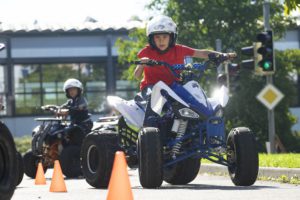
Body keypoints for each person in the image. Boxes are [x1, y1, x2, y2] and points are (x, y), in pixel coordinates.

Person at [134, 15, 235, 99]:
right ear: (152, 39)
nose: (161, 40)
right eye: (157, 37)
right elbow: (137, 76)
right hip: (152, 87)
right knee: (154, 98)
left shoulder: (179, 49)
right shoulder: (147, 52)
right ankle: (150, 123)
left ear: (172, 37)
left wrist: (222, 55)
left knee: (194, 98)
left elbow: (202, 53)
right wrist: (142, 63)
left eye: (165, 37)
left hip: (174, 87)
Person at [59, 78, 93, 146]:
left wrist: (80, 107)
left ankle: (79, 148)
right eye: (70, 90)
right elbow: (63, 106)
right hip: (75, 123)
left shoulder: (81, 99)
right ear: (67, 92)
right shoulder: (70, 101)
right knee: (63, 131)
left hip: (84, 124)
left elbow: (84, 104)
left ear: (79, 90)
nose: (72, 91)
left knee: (77, 135)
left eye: (74, 89)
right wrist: (56, 108)